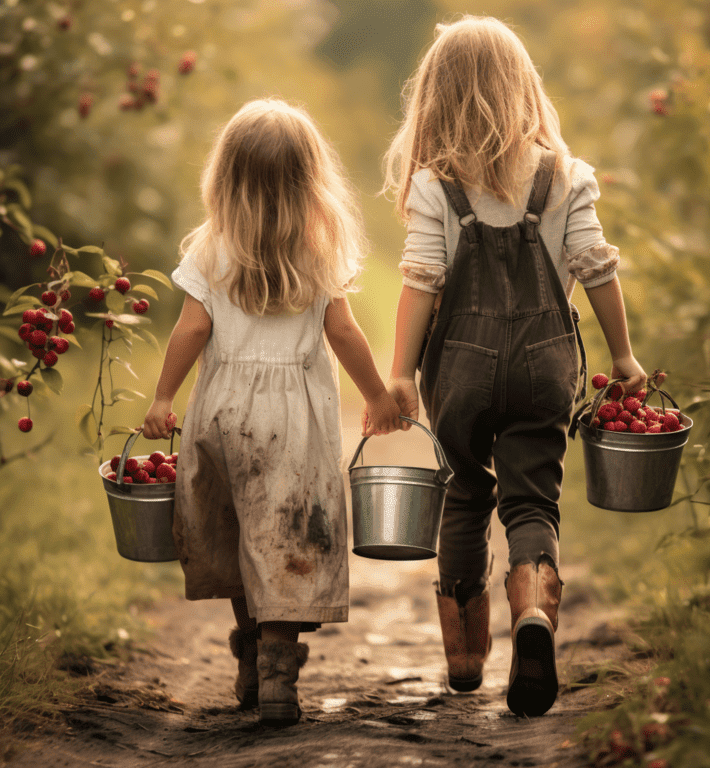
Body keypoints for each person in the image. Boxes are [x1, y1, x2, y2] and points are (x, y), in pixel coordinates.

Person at [375, 15, 646, 717]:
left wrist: (401, 373)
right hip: (543, 366)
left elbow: (422, 281)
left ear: (435, 96)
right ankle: (533, 609)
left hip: (459, 372)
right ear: (524, 87)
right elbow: (596, 268)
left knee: (465, 494)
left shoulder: (437, 186)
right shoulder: (565, 177)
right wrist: (622, 355)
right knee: (530, 501)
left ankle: (466, 655)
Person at [141, 98, 401, 727]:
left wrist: (162, 397)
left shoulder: (210, 247)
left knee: (235, 535)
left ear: (225, 176)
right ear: (310, 180)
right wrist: (375, 393)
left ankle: (251, 647)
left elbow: (190, 330)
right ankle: (280, 662)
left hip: (224, 415)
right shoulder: (321, 248)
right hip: (296, 422)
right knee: (283, 537)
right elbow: (343, 333)